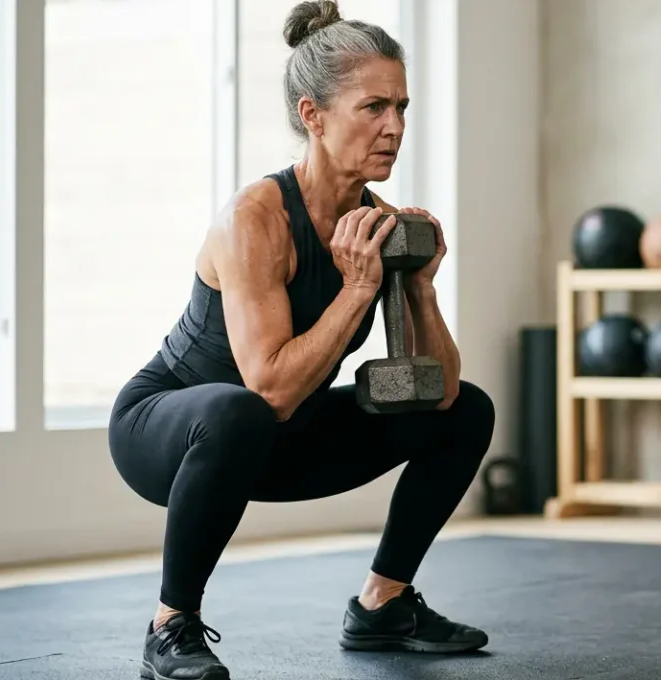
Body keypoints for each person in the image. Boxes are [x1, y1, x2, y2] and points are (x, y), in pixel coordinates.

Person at [106, 2, 494, 678]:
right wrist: (355, 290)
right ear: (313, 115)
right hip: (170, 431)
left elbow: (440, 390)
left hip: (280, 436)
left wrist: (420, 287)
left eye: (402, 106)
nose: (395, 127)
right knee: (238, 408)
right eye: (373, 107)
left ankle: (384, 605)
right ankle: (171, 627)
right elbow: (271, 389)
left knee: (467, 409)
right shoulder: (254, 218)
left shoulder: (379, 223)